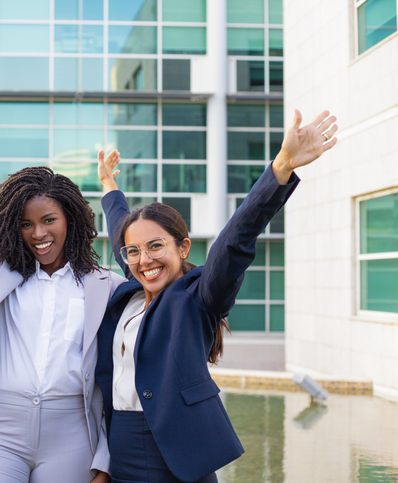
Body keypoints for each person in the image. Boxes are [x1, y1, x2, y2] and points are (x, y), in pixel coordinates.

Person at [95, 110, 338, 483]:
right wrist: (109, 185)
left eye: (156, 246)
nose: (144, 260)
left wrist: (280, 168)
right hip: (122, 445)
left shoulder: (197, 296)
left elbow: (235, 241)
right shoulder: (131, 287)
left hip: (179, 448)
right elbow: (119, 232)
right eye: (134, 252)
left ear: (182, 247)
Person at [0, 89, 124, 483]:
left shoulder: (106, 286)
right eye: (26, 224)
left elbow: (118, 376)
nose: (38, 234)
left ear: (71, 219)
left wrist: (105, 457)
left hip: (73, 431)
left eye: (49, 220)